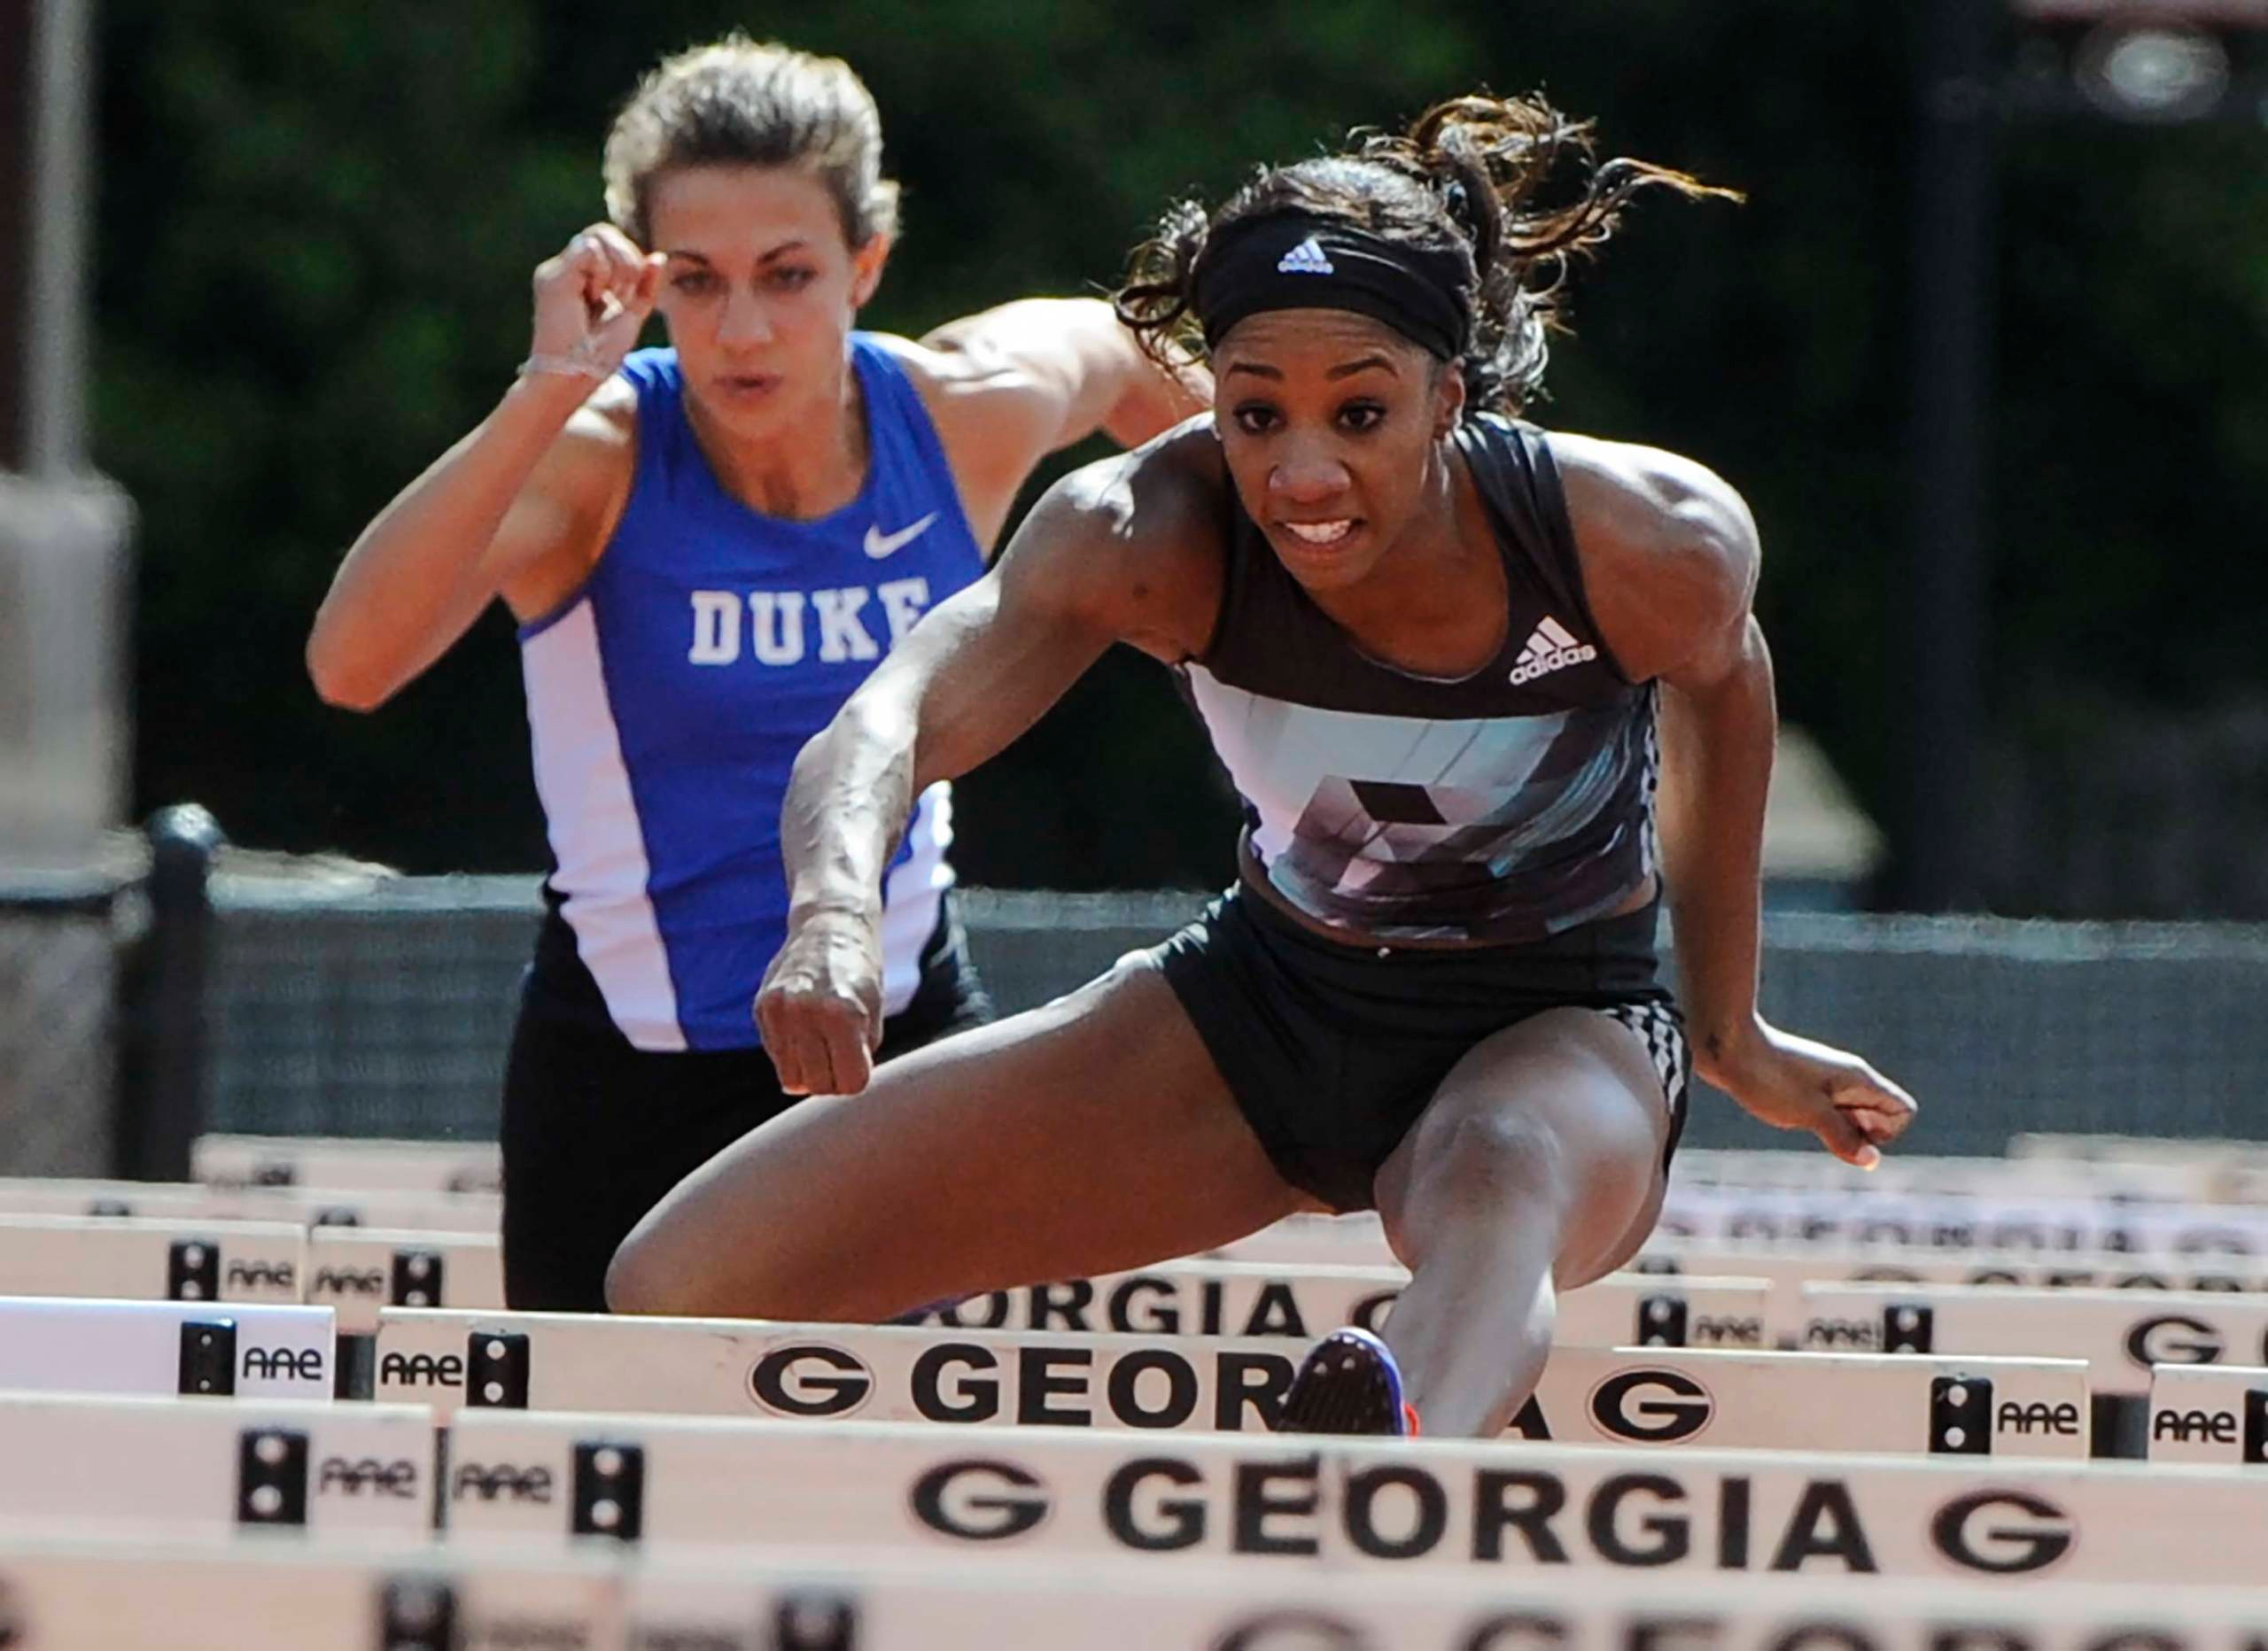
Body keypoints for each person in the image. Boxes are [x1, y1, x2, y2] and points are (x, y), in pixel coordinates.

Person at [605, 93, 1917, 1436]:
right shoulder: (1139, 532)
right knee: (679, 1278)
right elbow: (885, 722)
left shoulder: (1637, 542)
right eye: (1254, 415)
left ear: (1447, 399)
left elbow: (1724, 691)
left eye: (1360, 415)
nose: (1302, 475)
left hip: (1557, 1022)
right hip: (1265, 1012)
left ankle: (1376, 1461)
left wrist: (1726, 1030)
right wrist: (830, 914)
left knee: (1495, 1163)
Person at [304, 36, 1204, 1311]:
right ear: (642, 280)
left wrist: (1292, 570)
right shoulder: (594, 459)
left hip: (894, 1045)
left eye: (788, 276)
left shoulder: (962, 412)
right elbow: (350, 666)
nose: (742, 330)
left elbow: (1125, 349)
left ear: (866, 265)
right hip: (632, 1065)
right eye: (698, 280)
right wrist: (545, 387)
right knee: (602, 1486)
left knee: (898, 1482)